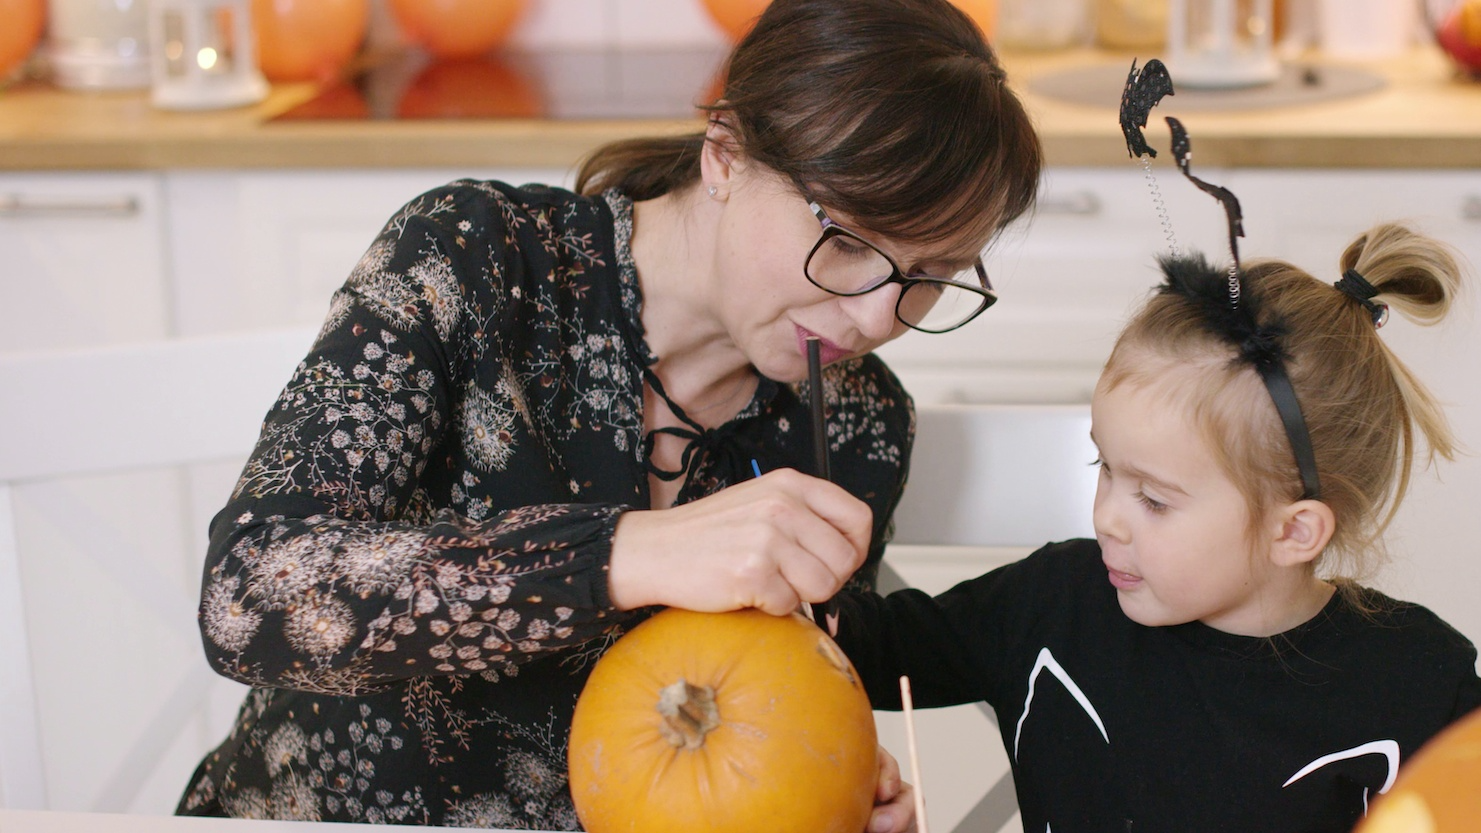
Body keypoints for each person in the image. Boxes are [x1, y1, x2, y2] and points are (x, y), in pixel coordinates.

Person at [173, 0, 1043, 828]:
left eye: (930, 275)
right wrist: (627, 552)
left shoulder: (859, 422)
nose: (876, 316)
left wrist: (830, 782)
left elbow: (771, 694)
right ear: (724, 154)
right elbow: (246, 594)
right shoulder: (474, 256)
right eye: (846, 240)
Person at [827, 223, 1481, 832]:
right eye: (1102, 466)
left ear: (1294, 532)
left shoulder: (1424, 685)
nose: (1106, 514)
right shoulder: (1052, 602)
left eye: (1154, 499)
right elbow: (859, 651)